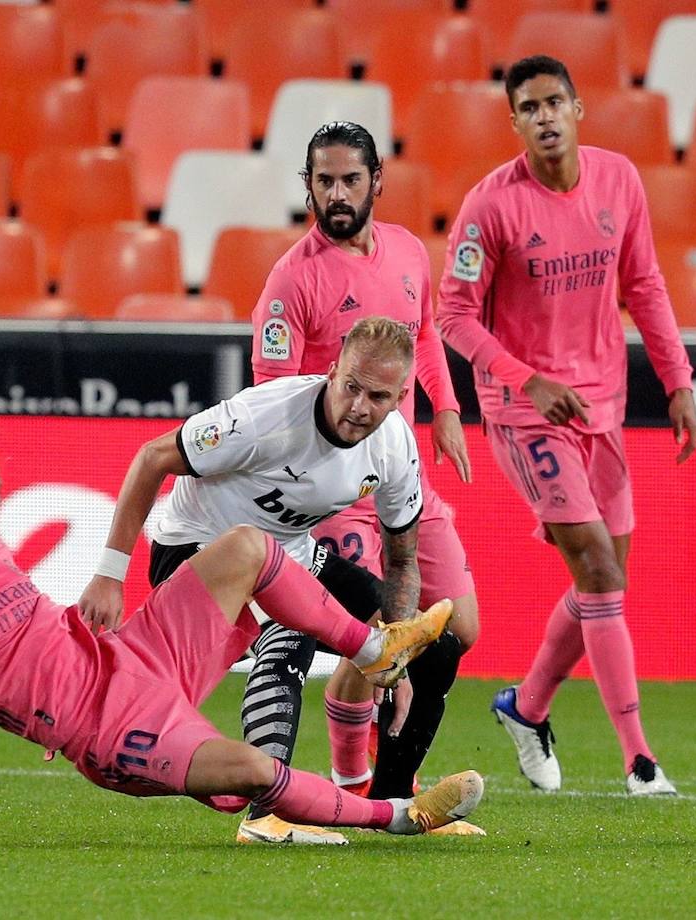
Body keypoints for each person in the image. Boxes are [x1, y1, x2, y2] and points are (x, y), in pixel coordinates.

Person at [0, 416, 481, 841]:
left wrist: (97, 594)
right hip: (109, 734)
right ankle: (398, 816)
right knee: (257, 772)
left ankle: (373, 646)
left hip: (132, 654)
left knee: (246, 549)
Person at [77, 317, 458, 843]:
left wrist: (399, 659)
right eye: (350, 386)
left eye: (378, 396)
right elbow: (153, 457)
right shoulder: (265, 416)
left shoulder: (394, 446)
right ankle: (266, 815)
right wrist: (109, 573)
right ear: (332, 371)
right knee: (292, 631)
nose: (359, 407)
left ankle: (395, 801)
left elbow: (402, 562)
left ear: (398, 398)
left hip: (291, 552)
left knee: (436, 650)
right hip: (198, 547)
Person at [436, 55, 696, 796]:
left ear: (578, 109)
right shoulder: (490, 206)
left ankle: (526, 708)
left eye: (556, 102)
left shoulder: (619, 180)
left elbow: (644, 283)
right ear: (514, 122)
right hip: (525, 412)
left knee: (603, 586)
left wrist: (678, 382)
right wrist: (529, 379)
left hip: (603, 408)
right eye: (530, 106)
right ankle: (639, 759)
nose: (545, 116)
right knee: (598, 572)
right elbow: (450, 314)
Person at [247, 122, 480, 824]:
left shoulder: (409, 251)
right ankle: (366, 789)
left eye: (351, 180)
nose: (337, 194)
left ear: (378, 180)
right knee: (382, 626)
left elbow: (426, 329)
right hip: (338, 491)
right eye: (324, 181)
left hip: (402, 475)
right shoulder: (293, 278)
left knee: (456, 628)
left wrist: (443, 404)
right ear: (308, 186)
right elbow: (270, 401)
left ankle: (375, 777)